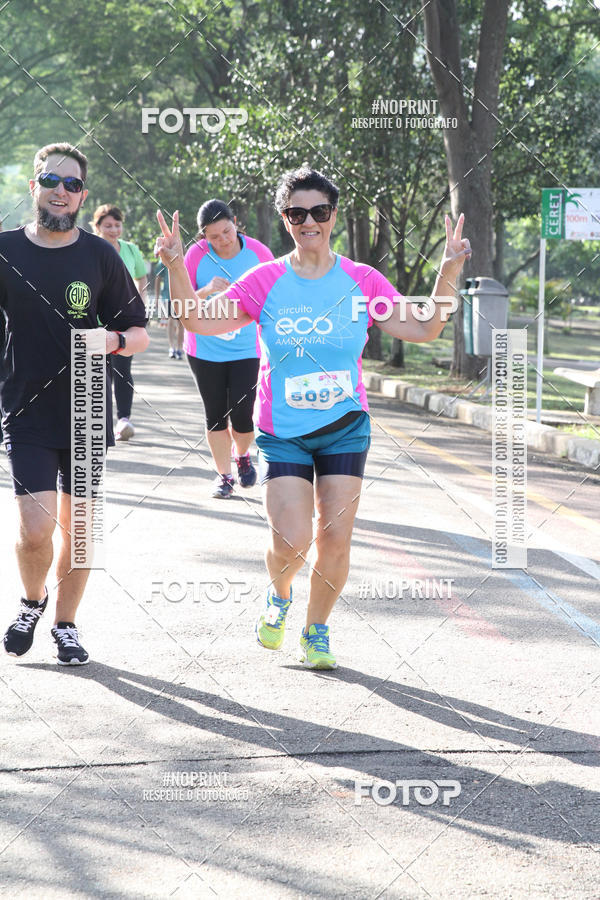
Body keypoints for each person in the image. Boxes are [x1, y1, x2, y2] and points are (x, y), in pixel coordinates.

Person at [155, 166, 470, 670]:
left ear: (333, 216)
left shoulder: (363, 281)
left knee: (335, 538)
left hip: (346, 426)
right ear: (285, 220)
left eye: (318, 212)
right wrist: (175, 265)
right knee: (291, 542)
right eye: (297, 213)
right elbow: (195, 320)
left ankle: (316, 630)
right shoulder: (264, 281)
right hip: (284, 434)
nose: (309, 222)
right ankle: (279, 594)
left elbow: (426, 326)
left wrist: (448, 271)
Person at [1, 143, 148, 665]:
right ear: (34, 185)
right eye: (51, 181)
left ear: (83, 196)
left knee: (81, 531)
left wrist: (115, 342)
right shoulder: (6, 251)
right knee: (36, 526)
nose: (61, 191)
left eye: (72, 185)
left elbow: (138, 331)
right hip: (25, 405)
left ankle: (65, 624)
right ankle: (30, 601)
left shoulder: (101, 255)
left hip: (86, 401)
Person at [182, 199, 274, 498]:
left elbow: (275, 295)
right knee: (215, 415)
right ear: (203, 236)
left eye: (226, 231)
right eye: (214, 236)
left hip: (247, 349)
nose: (222, 240)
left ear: (236, 223)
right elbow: (181, 303)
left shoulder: (259, 253)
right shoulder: (195, 256)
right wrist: (207, 289)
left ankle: (243, 455)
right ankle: (224, 476)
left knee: (244, 416)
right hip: (204, 348)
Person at [92, 204, 148, 441]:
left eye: (117, 225)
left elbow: (141, 276)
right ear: (97, 227)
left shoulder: (131, 250)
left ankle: (123, 418)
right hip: (94, 320)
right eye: (108, 226)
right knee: (99, 371)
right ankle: (98, 423)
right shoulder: (91, 249)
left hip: (124, 320)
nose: (114, 229)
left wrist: (139, 305)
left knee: (122, 369)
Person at [154, 260, 184, 358]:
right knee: (171, 321)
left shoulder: (185, 259)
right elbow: (158, 278)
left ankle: (179, 348)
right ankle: (172, 347)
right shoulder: (163, 261)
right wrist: (157, 297)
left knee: (181, 323)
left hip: (183, 296)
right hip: (168, 296)